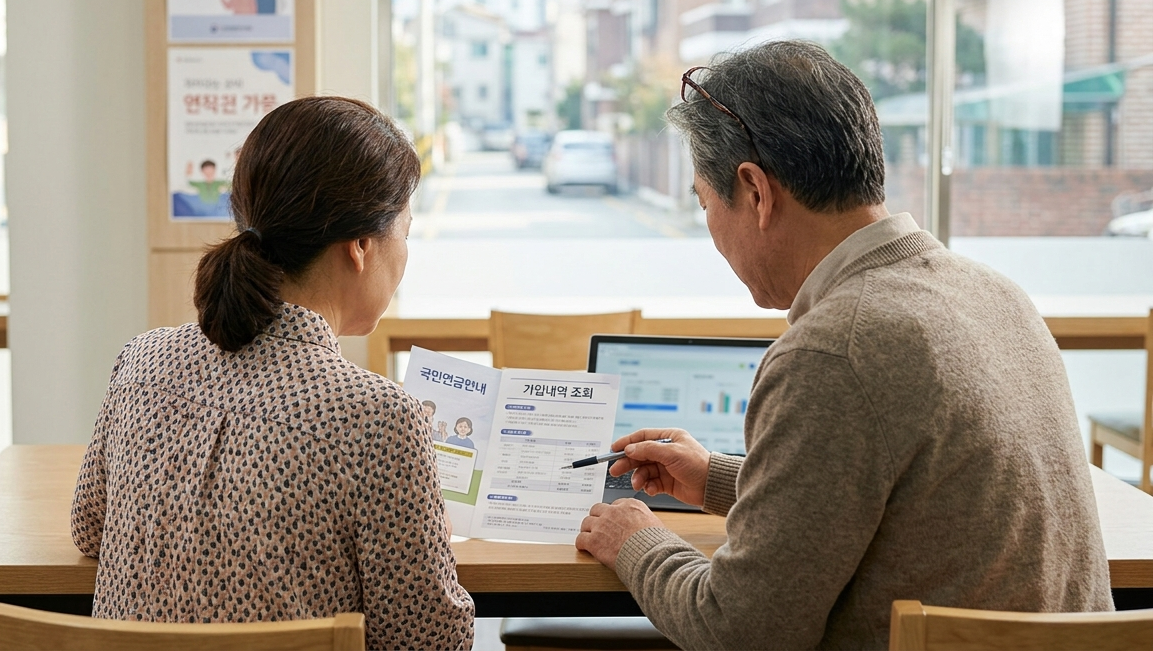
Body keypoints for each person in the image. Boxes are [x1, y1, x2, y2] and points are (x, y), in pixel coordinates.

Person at [574, 40, 1112, 649]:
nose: (712, 234)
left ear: (755, 192)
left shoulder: (832, 352)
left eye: (705, 203)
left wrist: (635, 540)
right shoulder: (994, 293)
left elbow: (740, 631)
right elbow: (913, 501)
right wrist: (720, 479)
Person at [72, 96, 474, 650]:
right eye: (404, 232)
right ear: (360, 246)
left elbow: (89, 528)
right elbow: (429, 642)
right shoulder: (377, 419)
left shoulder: (142, 362)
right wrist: (421, 534)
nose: (406, 253)